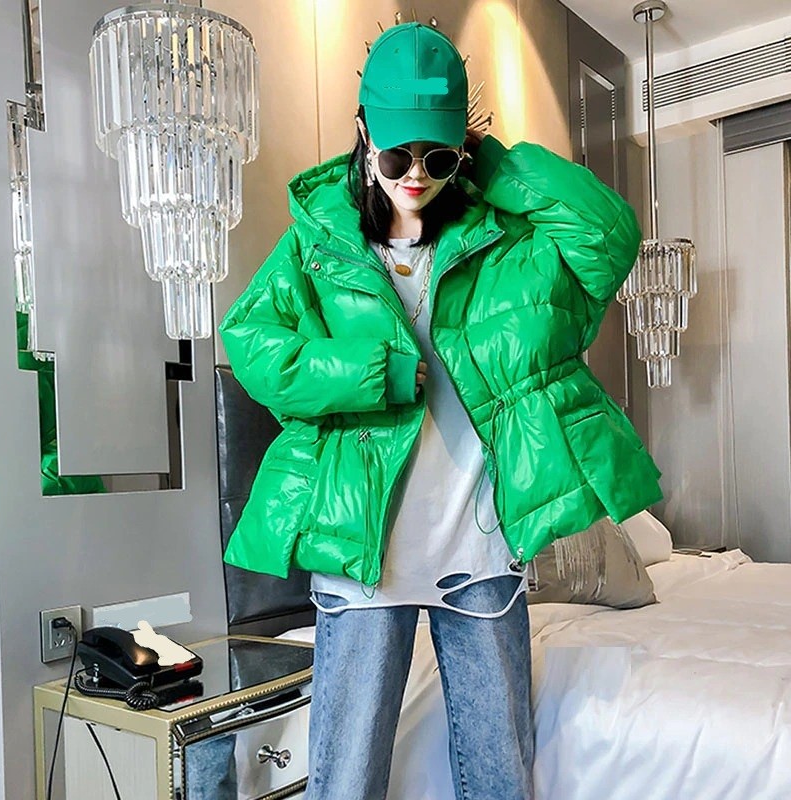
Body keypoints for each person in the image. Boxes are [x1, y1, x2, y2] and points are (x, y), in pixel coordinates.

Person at [219, 20, 662, 800]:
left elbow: (610, 237)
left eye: (440, 156)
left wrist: (495, 162)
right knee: (345, 781)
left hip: (479, 552)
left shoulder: (509, 243)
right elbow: (251, 342)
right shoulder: (318, 244)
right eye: (397, 155)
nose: (416, 175)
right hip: (362, 556)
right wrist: (371, 372)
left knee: (498, 780)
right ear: (363, 135)